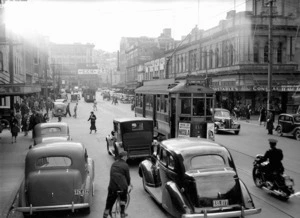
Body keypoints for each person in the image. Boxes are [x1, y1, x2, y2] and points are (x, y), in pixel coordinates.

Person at [103, 151, 132, 218]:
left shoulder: (114, 164)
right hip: (122, 187)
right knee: (123, 200)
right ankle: (122, 213)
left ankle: (106, 214)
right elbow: (128, 178)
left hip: (112, 187)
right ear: (124, 157)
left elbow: (112, 175)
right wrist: (128, 184)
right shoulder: (125, 165)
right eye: (126, 156)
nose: (127, 158)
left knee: (109, 203)